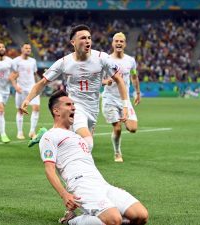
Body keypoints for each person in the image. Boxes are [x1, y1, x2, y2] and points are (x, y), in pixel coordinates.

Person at [39, 90, 148, 225]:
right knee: (114, 220)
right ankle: (71, 221)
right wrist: (64, 194)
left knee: (141, 216)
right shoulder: (50, 136)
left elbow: (89, 129)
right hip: (81, 185)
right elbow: (49, 169)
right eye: (68, 104)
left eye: (73, 104)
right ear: (56, 111)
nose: (73, 107)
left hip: (101, 183)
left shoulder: (77, 136)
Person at [21, 24, 129, 150]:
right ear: (73, 42)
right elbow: (42, 83)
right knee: (88, 144)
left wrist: (125, 105)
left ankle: (45, 135)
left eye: (89, 38)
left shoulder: (102, 58)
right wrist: (28, 99)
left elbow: (119, 80)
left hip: (93, 108)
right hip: (75, 107)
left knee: (72, 142)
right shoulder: (64, 62)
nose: (87, 41)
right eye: (83, 38)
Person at [101, 32, 141, 163]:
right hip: (109, 99)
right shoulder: (106, 60)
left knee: (133, 129)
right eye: (116, 41)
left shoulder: (130, 61)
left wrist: (138, 93)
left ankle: (124, 118)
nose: (118, 43)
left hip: (125, 100)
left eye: (121, 41)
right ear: (112, 43)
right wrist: (105, 82)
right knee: (117, 128)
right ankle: (117, 153)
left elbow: (134, 76)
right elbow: (97, 78)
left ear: (125, 44)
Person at [9, 43, 41, 140]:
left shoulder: (33, 61)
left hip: (32, 88)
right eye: (26, 48)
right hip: (21, 89)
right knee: (20, 110)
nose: (28, 49)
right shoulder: (15, 61)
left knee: (36, 108)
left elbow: (35, 74)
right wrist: (15, 86)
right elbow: (11, 76)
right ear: (21, 49)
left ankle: (32, 131)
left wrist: (38, 85)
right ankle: (19, 132)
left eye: (29, 48)